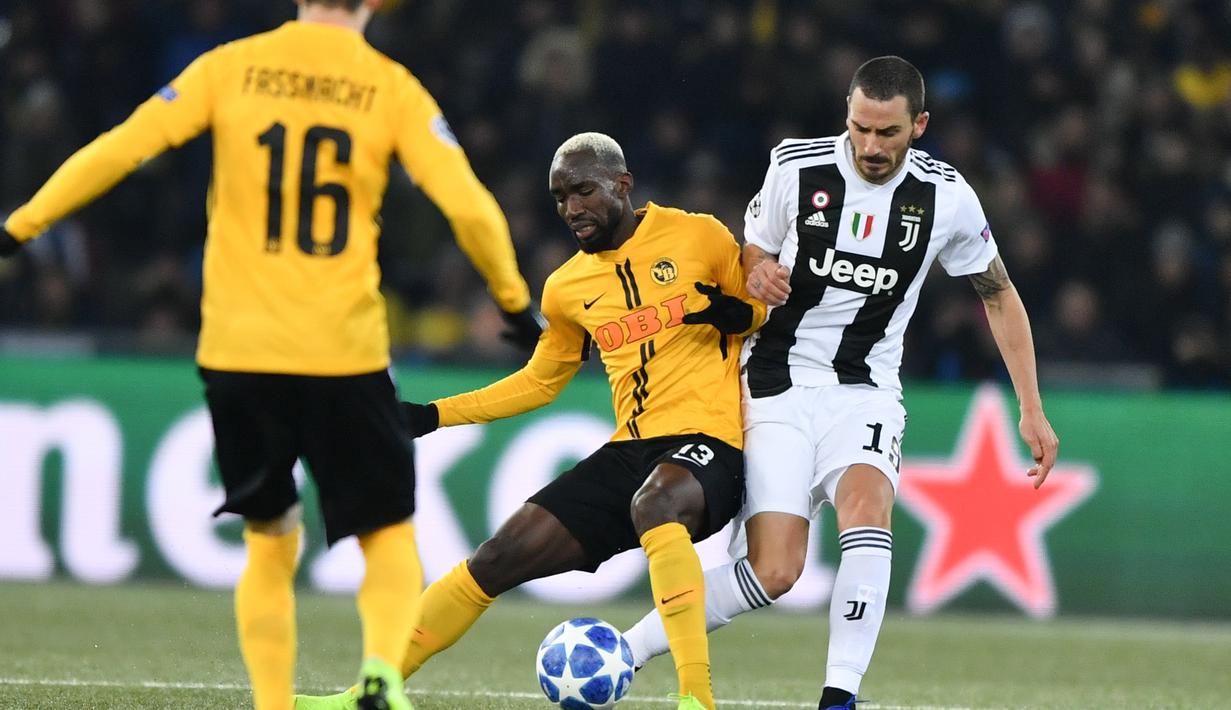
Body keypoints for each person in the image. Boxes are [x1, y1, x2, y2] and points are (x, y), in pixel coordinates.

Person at [0, 2, 541, 709]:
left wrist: (19, 228)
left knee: (269, 535)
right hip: (342, 350)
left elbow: (121, 148)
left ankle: (272, 704)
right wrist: (509, 300)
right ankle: (381, 672)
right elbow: (467, 206)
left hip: (238, 348)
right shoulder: (390, 86)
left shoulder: (230, 67)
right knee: (385, 530)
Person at [620, 56, 1061, 710]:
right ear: (846, 117)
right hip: (775, 382)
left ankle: (839, 697)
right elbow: (751, 248)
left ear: (919, 125)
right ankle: (626, 650)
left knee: (866, 503)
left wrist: (1030, 406)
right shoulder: (795, 168)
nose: (870, 147)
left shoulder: (946, 197)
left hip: (864, 390)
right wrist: (759, 270)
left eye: (887, 133)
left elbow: (997, 293)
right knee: (774, 571)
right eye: (859, 129)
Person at [299, 131, 767, 710]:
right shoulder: (567, 289)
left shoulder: (699, 234)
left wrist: (733, 312)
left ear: (623, 185)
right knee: (496, 557)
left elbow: (762, 308)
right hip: (632, 451)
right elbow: (540, 381)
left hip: (711, 445)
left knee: (656, 504)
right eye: (560, 198)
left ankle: (697, 700)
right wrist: (431, 415)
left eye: (583, 191)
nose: (571, 209)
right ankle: (368, 694)